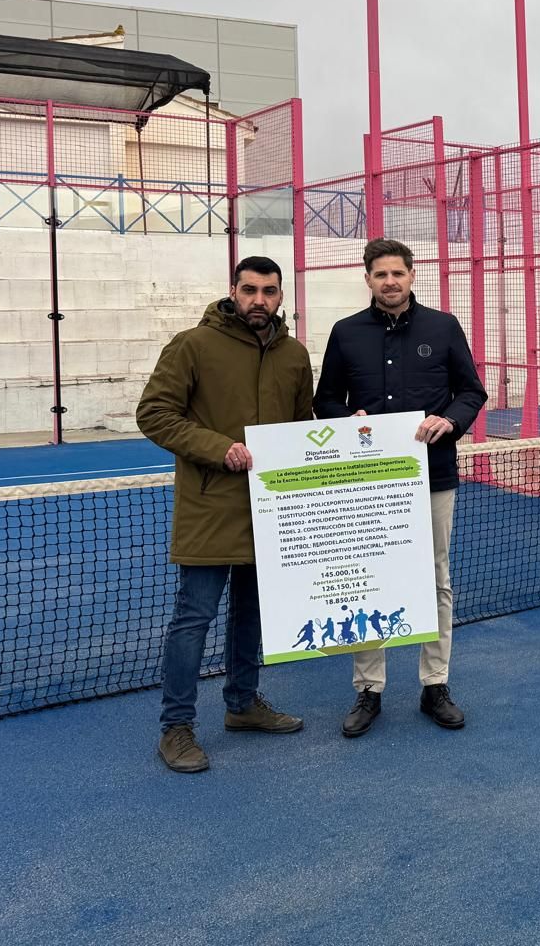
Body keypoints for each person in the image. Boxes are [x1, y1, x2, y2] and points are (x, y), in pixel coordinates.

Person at [137, 256, 313, 773]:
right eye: (251, 289)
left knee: (253, 614)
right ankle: (176, 728)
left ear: (281, 297)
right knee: (194, 618)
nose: (260, 299)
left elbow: (304, 427)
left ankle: (242, 704)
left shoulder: (295, 355)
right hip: (211, 507)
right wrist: (220, 448)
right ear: (233, 290)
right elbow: (154, 413)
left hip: (272, 511)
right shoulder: (192, 345)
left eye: (270, 291)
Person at [315, 237, 487, 737]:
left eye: (398, 273)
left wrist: (450, 421)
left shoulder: (444, 326)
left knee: (436, 579)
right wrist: (350, 418)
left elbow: (471, 390)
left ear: (412, 276)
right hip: (367, 483)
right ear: (367, 278)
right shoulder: (346, 333)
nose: (389, 282)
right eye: (380, 274)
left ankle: (435, 685)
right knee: (367, 579)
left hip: (433, 474)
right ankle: (369, 690)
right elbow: (324, 401)